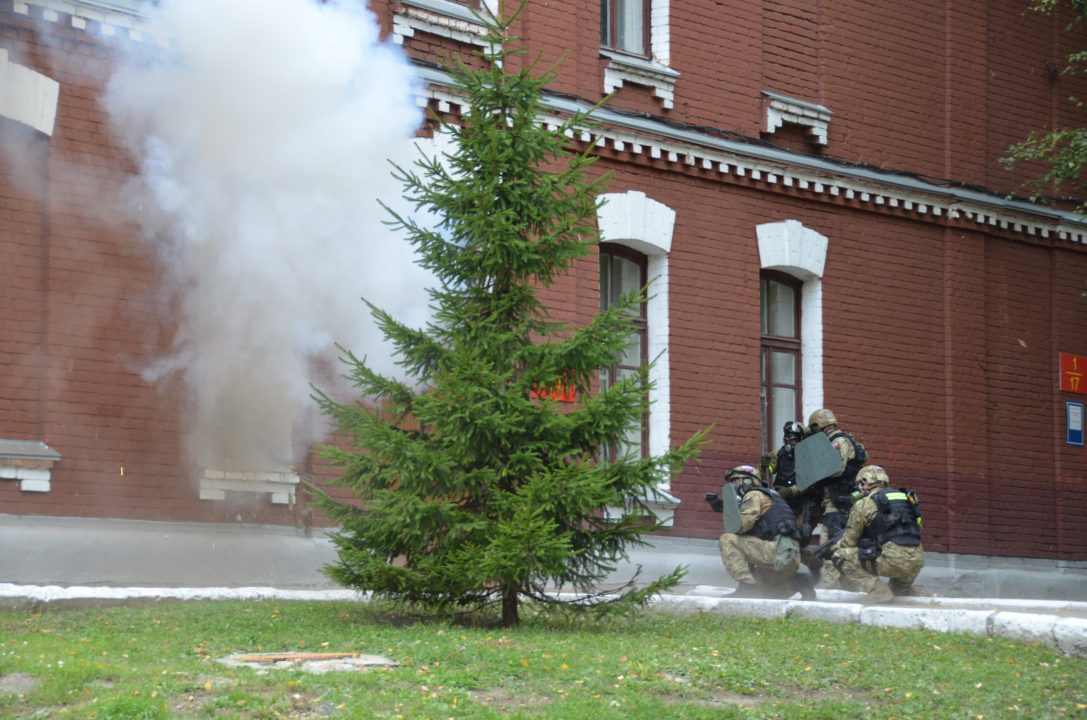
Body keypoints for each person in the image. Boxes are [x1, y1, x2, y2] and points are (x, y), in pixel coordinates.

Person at [829, 465, 925, 605]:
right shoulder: (906, 499)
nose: (859, 489)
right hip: (916, 562)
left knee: (840, 555)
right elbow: (918, 529)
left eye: (859, 485)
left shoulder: (864, 503)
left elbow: (849, 542)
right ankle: (915, 592)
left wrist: (833, 548)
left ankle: (878, 591)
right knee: (898, 593)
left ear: (866, 483)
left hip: (894, 561)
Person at [717, 465, 815, 600]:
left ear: (747, 481)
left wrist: (728, 512)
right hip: (789, 559)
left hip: (776, 553)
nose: (732, 485)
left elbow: (741, 526)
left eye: (735, 481)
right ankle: (799, 583)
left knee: (727, 539)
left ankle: (746, 588)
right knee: (761, 593)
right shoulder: (772, 496)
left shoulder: (753, 494)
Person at [805, 408, 867, 589]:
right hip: (843, 500)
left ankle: (831, 585)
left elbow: (836, 468)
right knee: (844, 542)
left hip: (838, 501)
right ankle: (850, 585)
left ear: (820, 425)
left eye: (814, 427)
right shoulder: (847, 440)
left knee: (828, 541)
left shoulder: (838, 441)